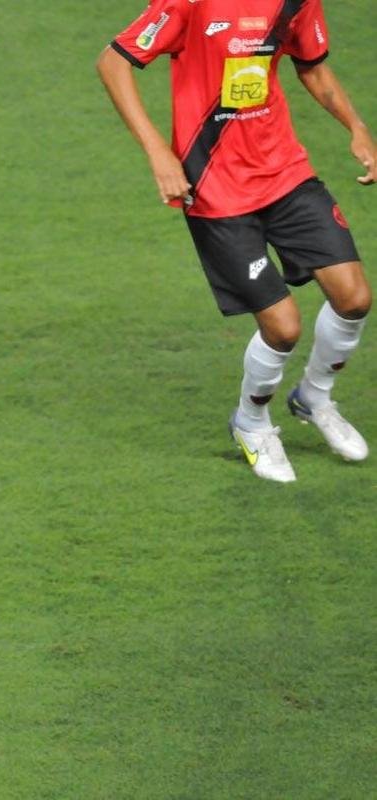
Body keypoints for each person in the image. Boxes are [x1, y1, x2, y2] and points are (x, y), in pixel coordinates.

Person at [97, 0, 375, 482]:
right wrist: (158, 151)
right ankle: (251, 423)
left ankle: (314, 397)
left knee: (354, 298)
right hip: (216, 188)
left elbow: (312, 66)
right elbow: (112, 61)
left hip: (285, 171)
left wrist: (357, 128)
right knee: (283, 327)